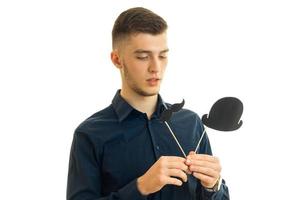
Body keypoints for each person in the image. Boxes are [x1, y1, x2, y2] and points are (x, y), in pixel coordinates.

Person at [67, 7, 230, 200]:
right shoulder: (90, 135)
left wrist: (213, 186)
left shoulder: (191, 123)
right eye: (143, 57)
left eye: (162, 56)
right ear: (117, 59)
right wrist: (141, 187)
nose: (156, 68)